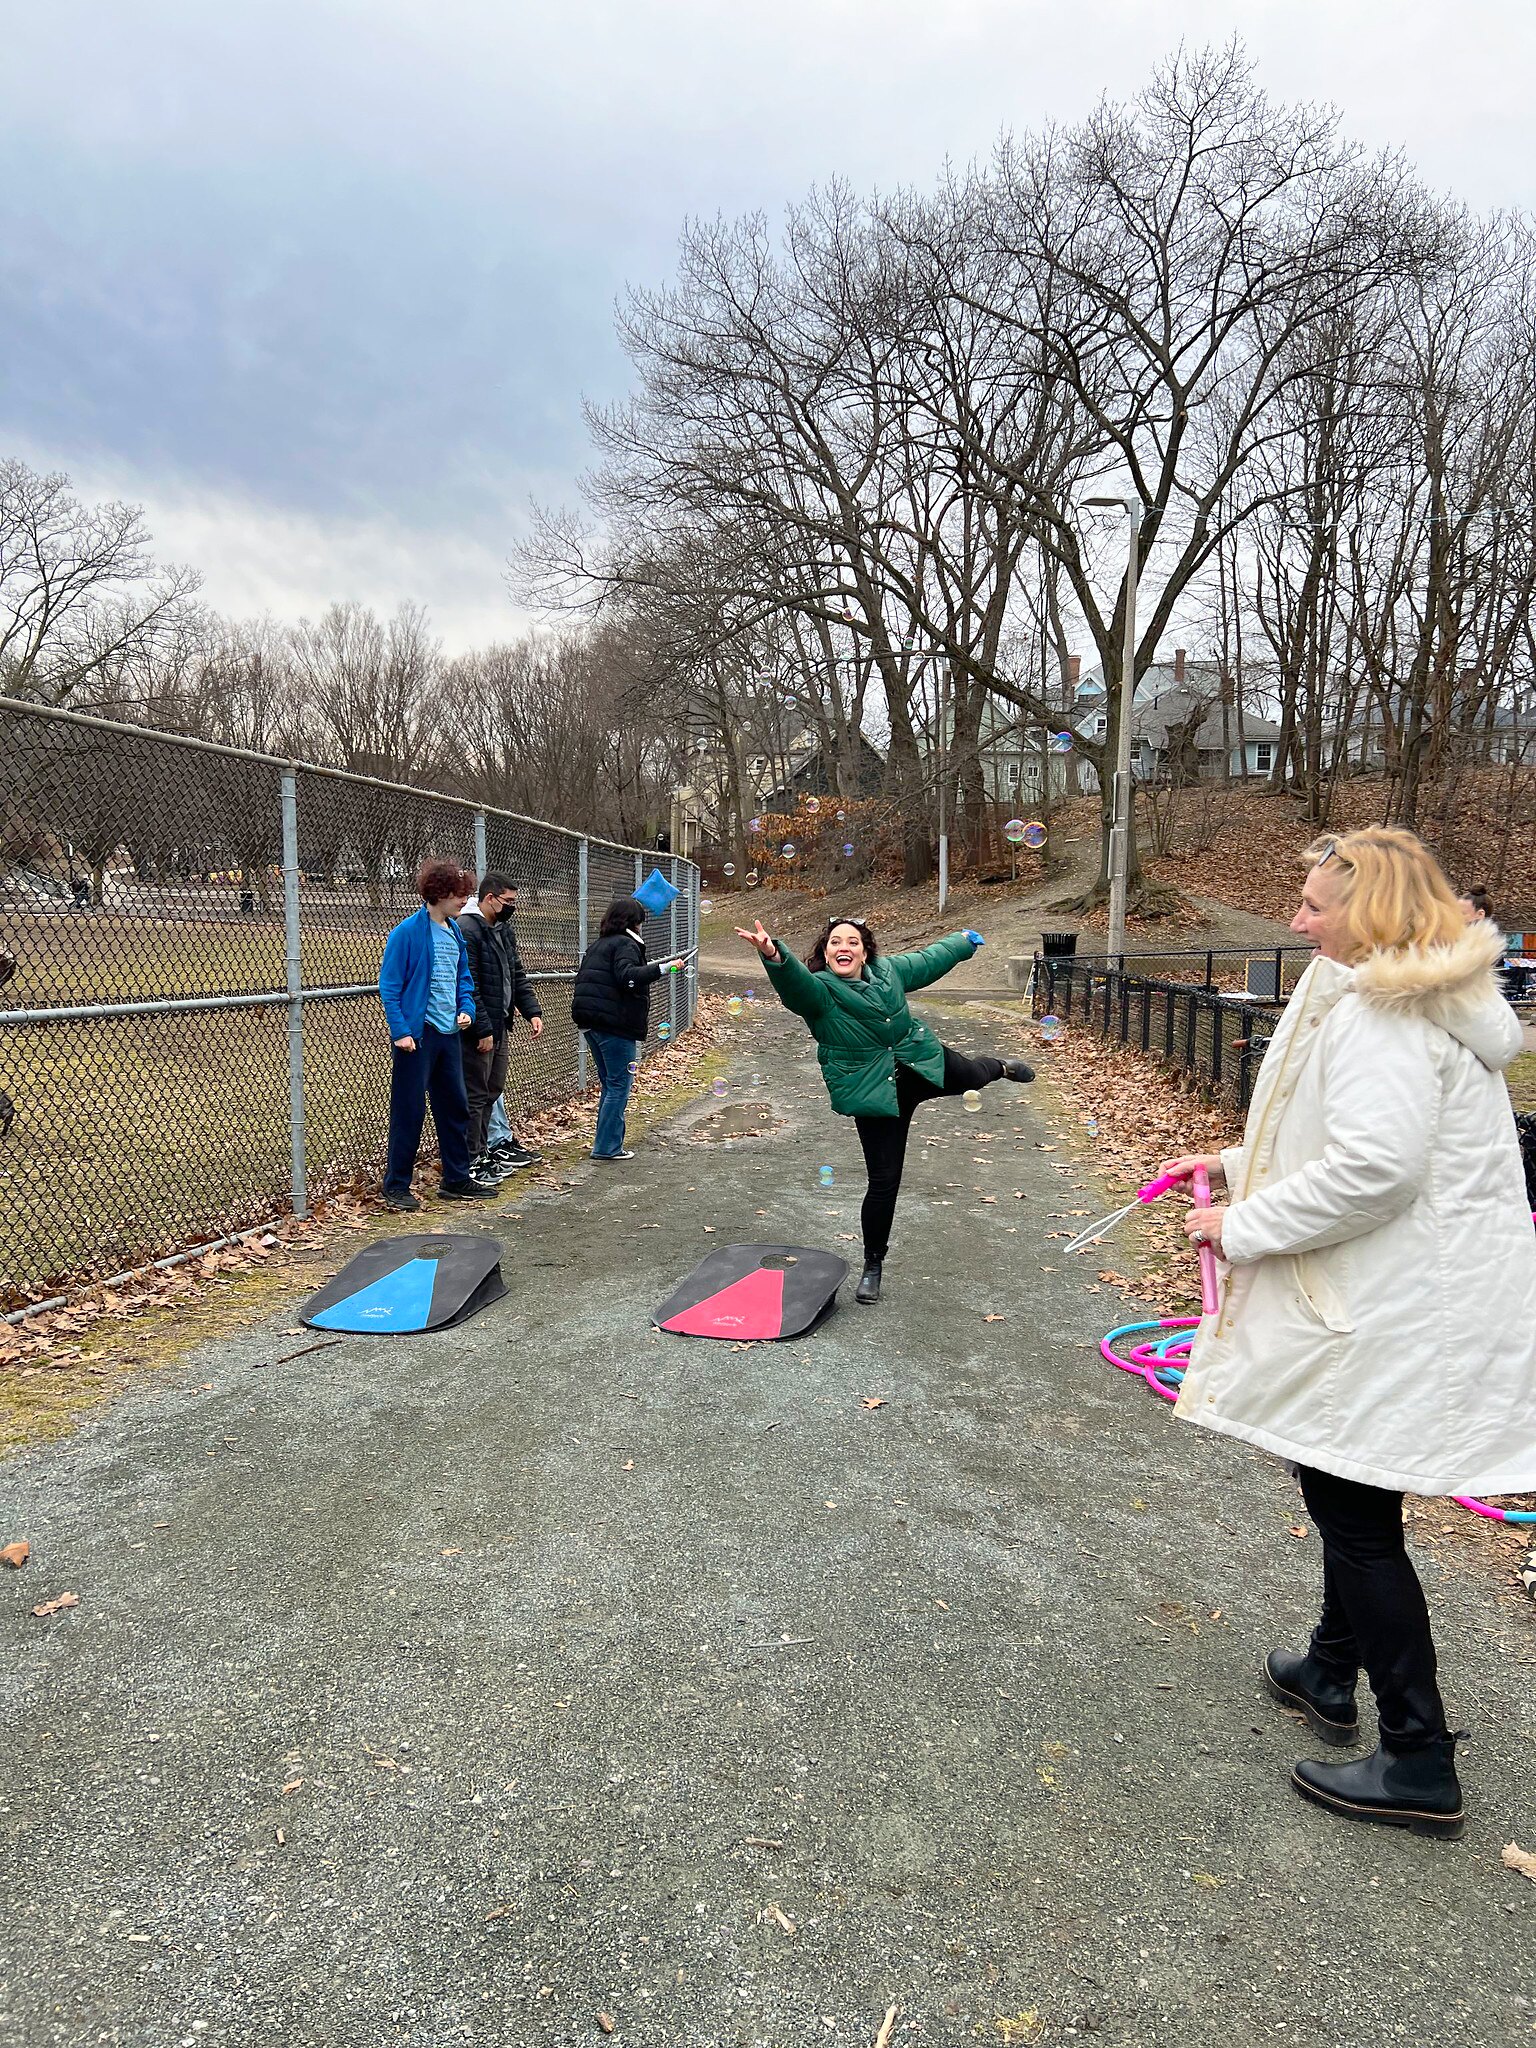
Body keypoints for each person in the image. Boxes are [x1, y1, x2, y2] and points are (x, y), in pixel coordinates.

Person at [1164, 827, 1536, 1839]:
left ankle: (1419, 1755)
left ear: (1367, 911)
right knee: (1344, 1475)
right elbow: (1341, 1135)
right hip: (1409, 1295)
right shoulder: (1411, 996)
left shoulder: (1383, 1011)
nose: (1295, 917)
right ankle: (1332, 1669)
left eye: (1316, 903)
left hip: (1397, 1301)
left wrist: (1237, 1226)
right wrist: (1238, 1162)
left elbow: (1375, 1169)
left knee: (1353, 1507)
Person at [737, 916, 1033, 1303]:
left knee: (974, 1075)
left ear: (865, 951)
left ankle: (1000, 1067)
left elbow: (927, 960)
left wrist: (961, 942)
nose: (844, 947)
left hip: (921, 1062)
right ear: (825, 954)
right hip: (875, 1092)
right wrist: (774, 954)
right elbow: (795, 986)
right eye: (836, 943)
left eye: (853, 942)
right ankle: (873, 1264)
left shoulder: (887, 971)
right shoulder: (820, 993)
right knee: (884, 1182)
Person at [377, 859, 498, 1212]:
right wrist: (401, 1031)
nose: (465, 901)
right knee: (409, 1112)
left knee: (455, 1107)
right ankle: (396, 1185)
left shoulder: (454, 931)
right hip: (418, 1038)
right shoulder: (407, 933)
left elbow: (463, 979)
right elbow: (390, 985)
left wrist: (467, 1010)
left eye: (467, 894)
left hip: (449, 1035)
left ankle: (456, 1179)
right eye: (459, 895)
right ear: (439, 893)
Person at [571, 896, 675, 1161]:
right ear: (634, 921)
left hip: (593, 1024)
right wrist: (664, 968)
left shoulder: (600, 945)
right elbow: (629, 977)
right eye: (640, 920)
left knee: (610, 1084)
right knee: (618, 1085)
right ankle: (607, 1147)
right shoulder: (626, 944)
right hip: (615, 1025)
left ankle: (607, 1143)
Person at [458, 872, 544, 1181]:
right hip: (482, 1028)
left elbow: (515, 974)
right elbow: (469, 985)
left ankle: (484, 1150)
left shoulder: (503, 930)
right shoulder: (468, 930)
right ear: (489, 898)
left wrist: (530, 1010)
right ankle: (470, 1157)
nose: (511, 907)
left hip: (501, 1023)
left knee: (493, 1089)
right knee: (476, 1093)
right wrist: (482, 1029)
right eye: (507, 902)